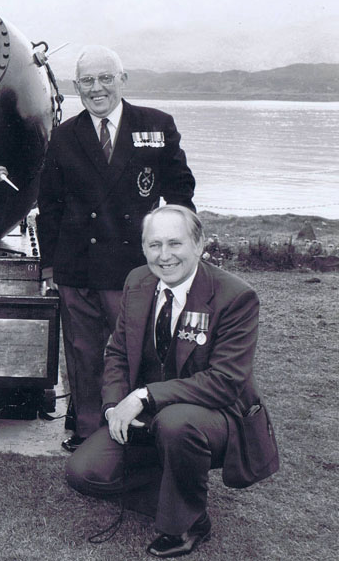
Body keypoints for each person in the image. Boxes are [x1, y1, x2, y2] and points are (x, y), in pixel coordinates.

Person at [66, 206, 279, 557]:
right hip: (149, 414)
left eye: (174, 243)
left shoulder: (236, 297)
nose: (164, 256)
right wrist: (115, 408)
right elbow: (117, 352)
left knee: (176, 424)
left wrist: (146, 396)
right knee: (83, 473)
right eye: (154, 245)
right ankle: (176, 484)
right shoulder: (137, 281)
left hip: (215, 417)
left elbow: (225, 381)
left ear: (199, 245)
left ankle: (189, 521)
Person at [36, 45, 196, 452]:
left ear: (123, 80)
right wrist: (49, 268)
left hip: (133, 267)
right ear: (76, 87)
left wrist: (181, 251)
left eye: (106, 78)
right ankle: (89, 430)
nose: (97, 88)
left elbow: (180, 194)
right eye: (87, 81)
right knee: (84, 353)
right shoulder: (63, 135)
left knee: (137, 351)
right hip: (78, 268)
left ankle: (142, 424)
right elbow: (49, 207)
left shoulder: (156, 126)